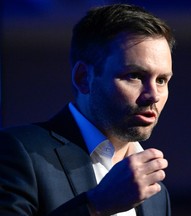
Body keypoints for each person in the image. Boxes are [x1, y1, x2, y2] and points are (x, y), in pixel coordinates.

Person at [0, 3, 175, 216]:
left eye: (162, 80)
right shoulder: (19, 151)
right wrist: (95, 206)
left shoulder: (156, 193)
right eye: (135, 76)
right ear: (83, 78)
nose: (153, 95)